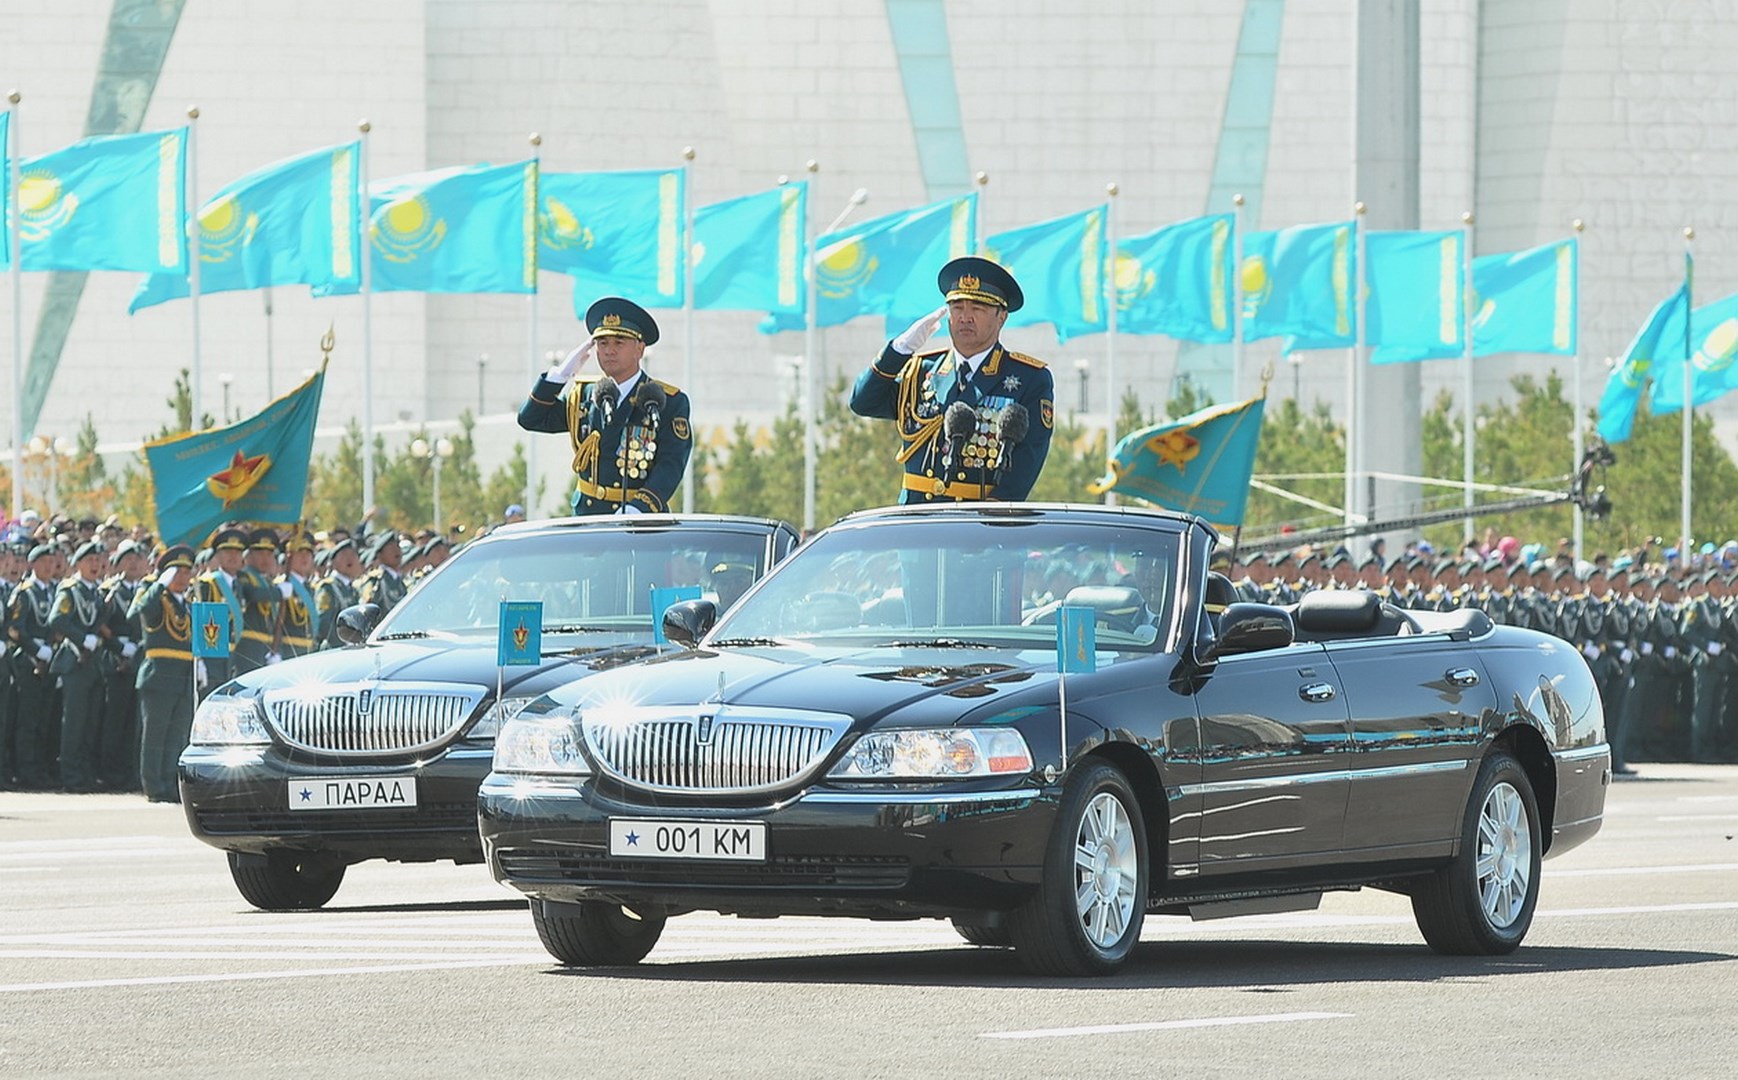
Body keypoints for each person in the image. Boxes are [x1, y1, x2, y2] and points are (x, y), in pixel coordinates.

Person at [849, 256, 1054, 503]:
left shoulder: (1028, 377)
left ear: (1001, 317)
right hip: (916, 520)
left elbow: (1029, 454)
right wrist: (898, 351)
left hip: (978, 522)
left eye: (977, 309)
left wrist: (996, 512)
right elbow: (862, 403)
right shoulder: (921, 371)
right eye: (957, 307)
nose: (965, 317)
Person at [517, 297, 694, 515]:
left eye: (619, 343)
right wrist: (558, 377)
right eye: (603, 343)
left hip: (639, 518)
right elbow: (530, 419)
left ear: (639, 348)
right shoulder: (584, 395)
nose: (609, 351)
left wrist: (639, 508)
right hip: (588, 517)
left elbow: (671, 464)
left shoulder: (666, 400)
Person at [132, 545, 198, 803]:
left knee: (177, 733)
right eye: (177, 572)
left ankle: (171, 782)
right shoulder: (156, 598)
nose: (183, 576)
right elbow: (140, 610)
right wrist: (159, 585)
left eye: (186, 571)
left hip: (184, 675)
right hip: (159, 673)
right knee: (156, 734)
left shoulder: (189, 603)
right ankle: (153, 785)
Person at [315, 539, 363, 649]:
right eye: (344, 555)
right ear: (333, 562)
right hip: (336, 648)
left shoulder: (353, 589)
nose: (350, 559)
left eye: (353, 554)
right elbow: (323, 622)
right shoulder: (328, 587)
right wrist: (342, 641)